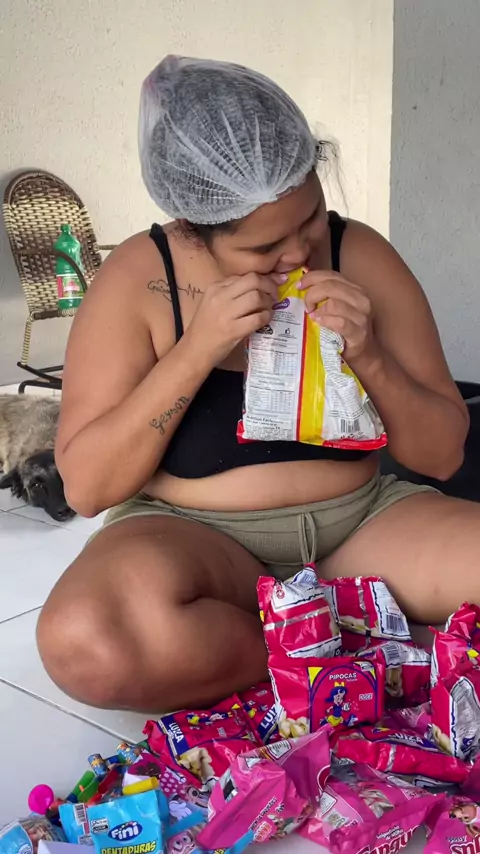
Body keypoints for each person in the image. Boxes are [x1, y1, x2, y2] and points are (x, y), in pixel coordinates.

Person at [37, 55, 476, 714]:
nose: (298, 254)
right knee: (85, 642)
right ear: (193, 230)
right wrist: (196, 350)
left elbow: (441, 455)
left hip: (362, 529)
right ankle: (339, 657)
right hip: (198, 541)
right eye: (265, 249)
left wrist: (371, 355)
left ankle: (333, 653)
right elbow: (89, 488)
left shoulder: (360, 253)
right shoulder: (139, 278)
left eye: (310, 220)